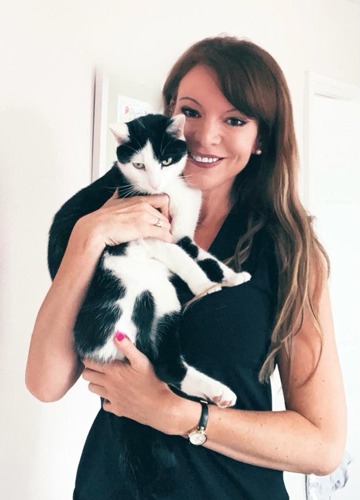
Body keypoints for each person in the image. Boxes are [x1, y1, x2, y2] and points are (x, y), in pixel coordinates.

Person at [26, 35, 346, 499]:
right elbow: (45, 382)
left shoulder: (290, 251)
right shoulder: (110, 214)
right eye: (192, 111)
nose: (205, 135)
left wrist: (180, 413)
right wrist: (88, 237)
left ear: (261, 140)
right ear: (170, 113)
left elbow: (322, 444)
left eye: (234, 119)